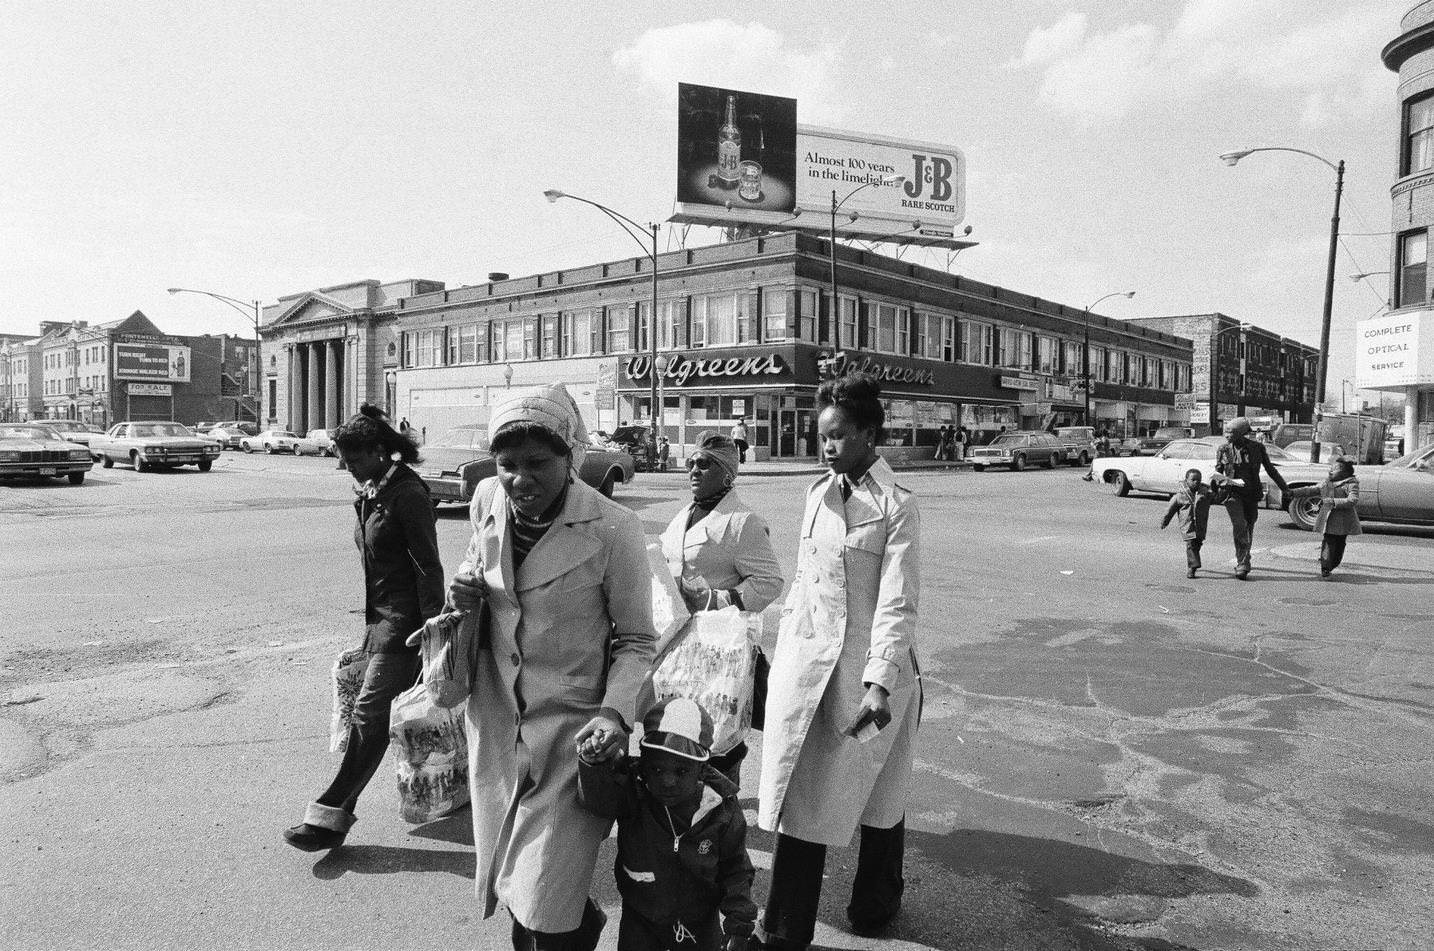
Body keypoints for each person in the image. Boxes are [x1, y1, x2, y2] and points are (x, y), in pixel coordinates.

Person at [447, 382, 656, 951]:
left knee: (543, 901)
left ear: (572, 457)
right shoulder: (488, 500)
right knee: (521, 886)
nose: (521, 479)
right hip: (496, 725)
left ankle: (570, 925)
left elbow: (638, 641)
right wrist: (461, 593)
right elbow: (477, 573)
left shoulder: (613, 529)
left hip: (573, 737)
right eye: (508, 463)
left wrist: (615, 715)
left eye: (538, 463)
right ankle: (582, 923)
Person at [757, 372, 920, 950]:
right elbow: (804, 584)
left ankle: (876, 904)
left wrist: (879, 683)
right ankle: (783, 929)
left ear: (870, 434)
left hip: (869, 674)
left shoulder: (897, 506)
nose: (827, 448)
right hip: (808, 666)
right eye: (821, 437)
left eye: (839, 436)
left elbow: (897, 602)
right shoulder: (815, 493)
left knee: (879, 796)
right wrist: (780, 655)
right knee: (801, 794)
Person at [284, 404, 444, 850]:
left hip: (406, 626)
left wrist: (432, 632)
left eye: (353, 459)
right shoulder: (374, 490)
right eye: (343, 459)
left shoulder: (408, 494)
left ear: (379, 451)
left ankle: (329, 816)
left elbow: (428, 568)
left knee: (370, 716)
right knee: (396, 715)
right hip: (379, 624)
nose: (347, 468)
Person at [576, 697, 757, 951]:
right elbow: (599, 801)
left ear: (703, 770)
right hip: (641, 918)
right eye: (657, 770)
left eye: (682, 771)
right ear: (643, 765)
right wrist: (594, 764)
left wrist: (739, 925)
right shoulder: (635, 795)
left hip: (700, 922)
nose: (668, 781)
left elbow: (736, 869)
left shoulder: (721, 810)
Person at [659, 432, 784, 784]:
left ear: (728, 474)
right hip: (679, 641)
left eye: (705, 464)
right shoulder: (684, 514)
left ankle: (721, 808)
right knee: (682, 724)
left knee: (719, 727)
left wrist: (716, 599)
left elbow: (770, 582)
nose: (694, 471)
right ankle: (690, 802)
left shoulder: (742, 522)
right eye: (691, 463)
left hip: (721, 646)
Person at [1215, 416, 1289, 581]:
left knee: (1249, 526)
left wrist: (1285, 488)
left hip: (1251, 493)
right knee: (1240, 526)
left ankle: (1244, 557)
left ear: (1242, 433)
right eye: (1225, 431)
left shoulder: (1257, 448)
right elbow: (1218, 473)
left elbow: (1271, 470)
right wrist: (1216, 485)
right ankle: (1243, 564)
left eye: (1231, 432)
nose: (1227, 435)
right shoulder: (1223, 449)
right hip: (1232, 494)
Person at [1287, 457, 1362, 578]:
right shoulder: (1327, 482)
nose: (1331, 471)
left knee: (1339, 545)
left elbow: (1352, 500)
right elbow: (1312, 490)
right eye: (1330, 469)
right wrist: (1293, 492)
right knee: (1328, 542)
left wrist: (1333, 501)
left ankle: (1332, 564)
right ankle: (1325, 566)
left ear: (1345, 473)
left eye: (1335, 469)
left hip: (1343, 521)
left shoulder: (1351, 483)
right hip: (1329, 520)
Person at [1160, 468, 1215, 579]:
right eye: (1193, 479)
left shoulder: (1205, 494)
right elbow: (1170, 510)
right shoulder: (1180, 496)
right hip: (1187, 526)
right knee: (1191, 545)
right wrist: (1165, 521)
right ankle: (1192, 568)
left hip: (1200, 526)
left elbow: (1217, 498)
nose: (1196, 482)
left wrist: (1220, 488)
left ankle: (1193, 563)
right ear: (1186, 480)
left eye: (1198, 480)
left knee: (1197, 544)